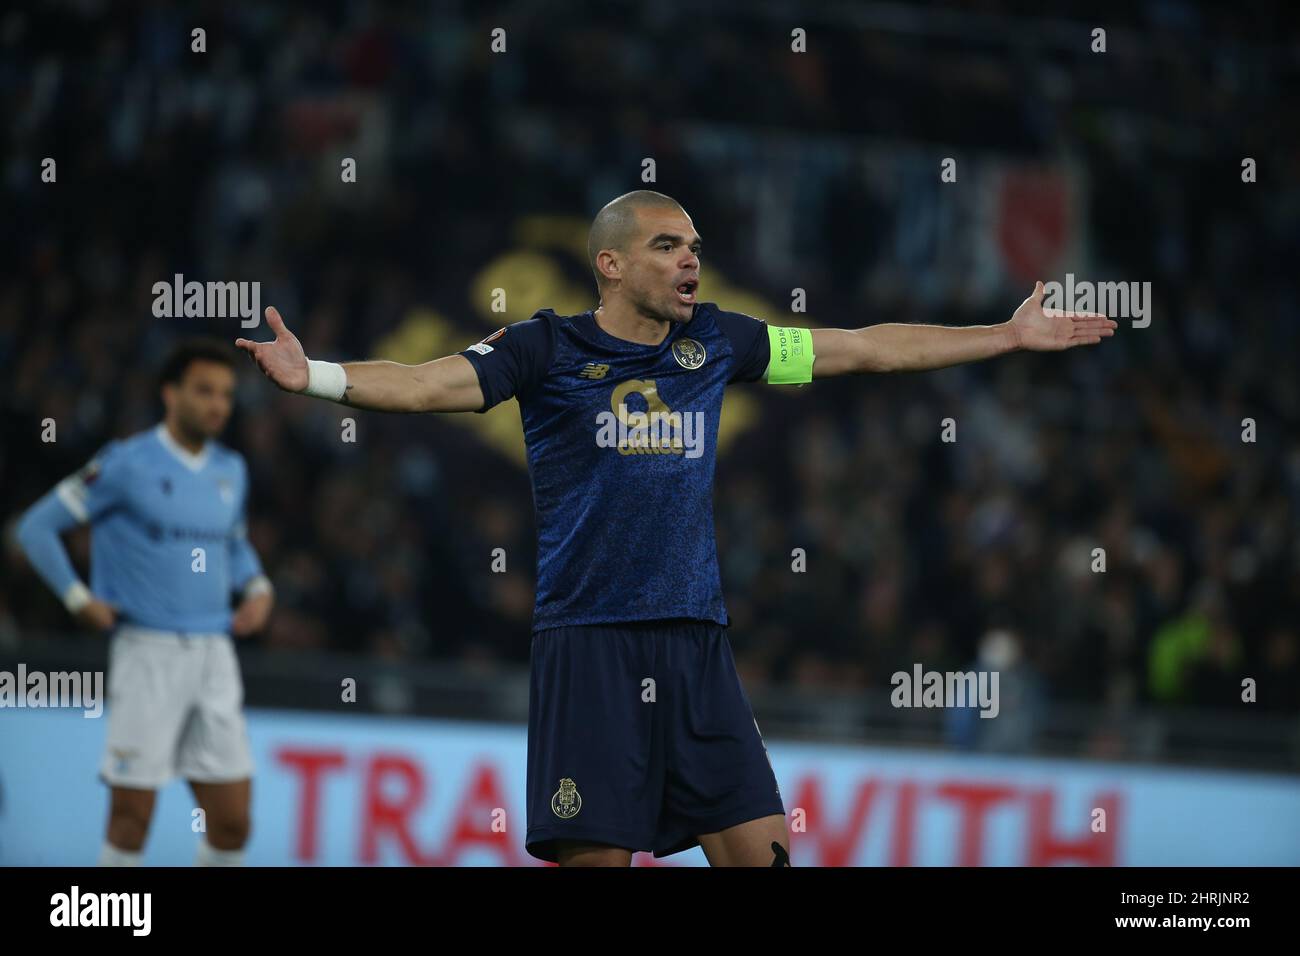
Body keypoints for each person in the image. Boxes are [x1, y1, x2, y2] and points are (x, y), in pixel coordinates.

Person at [236, 189, 1114, 866]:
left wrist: (1002, 336)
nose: (692, 260)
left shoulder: (720, 346)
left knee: (765, 850)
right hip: (591, 646)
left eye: (696, 247)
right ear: (611, 266)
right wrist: (310, 373)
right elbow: (425, 386)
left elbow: (862, 346)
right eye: (669, 246)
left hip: (697, 648)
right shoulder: (543, 350)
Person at [16, 339, 273, 866]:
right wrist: (75, 597)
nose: (217, 405)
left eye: (225, 394)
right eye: (204, 391)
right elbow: (37, 527)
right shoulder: (124, 464)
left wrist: (259, 587)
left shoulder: (232, 470)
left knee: (232, 822)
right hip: (146, 651)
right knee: (131, 821)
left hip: (215, 653)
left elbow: (232, 543)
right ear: (170, 394)